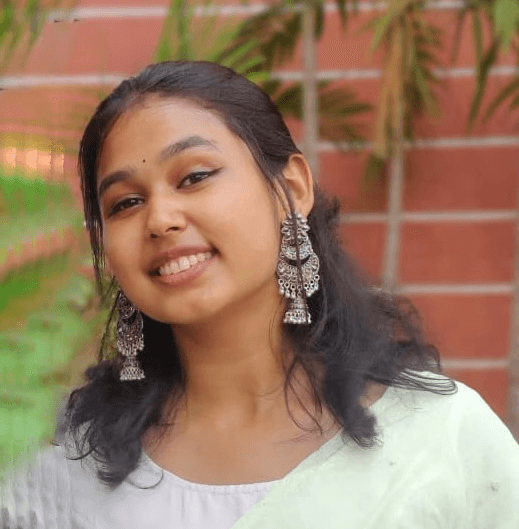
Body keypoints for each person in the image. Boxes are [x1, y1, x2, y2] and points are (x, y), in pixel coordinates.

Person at [1, 60, 519, 529]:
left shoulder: (441, 442)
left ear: (291, 189)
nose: (160, 219)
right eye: (125, 202)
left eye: (194, 177)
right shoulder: (55, 473)